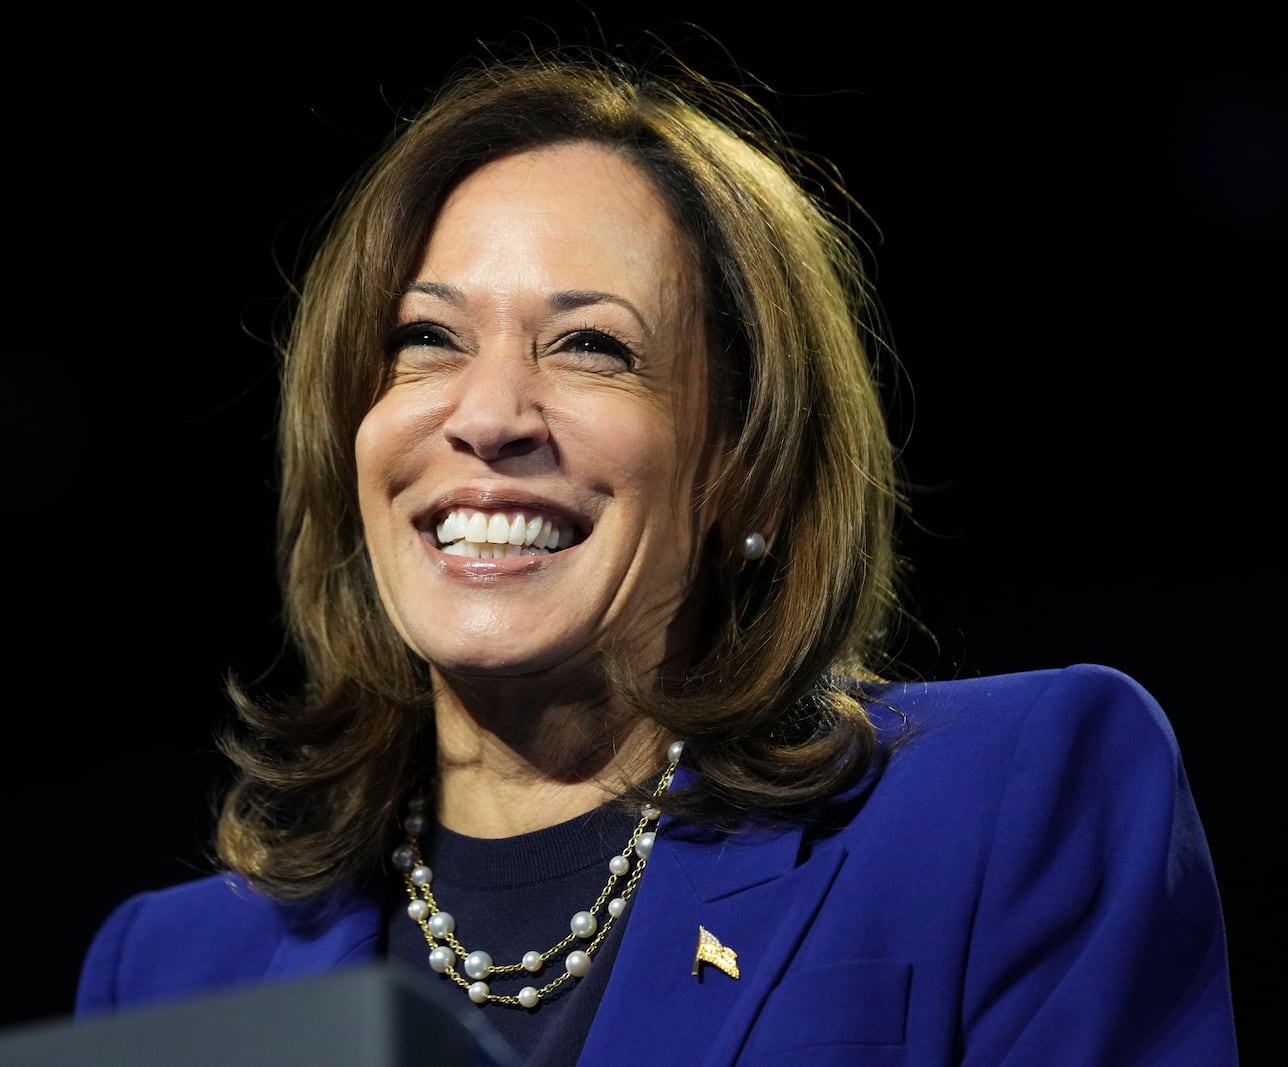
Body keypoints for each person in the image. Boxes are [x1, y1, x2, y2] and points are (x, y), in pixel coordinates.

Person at [73, 42, 1239, 1065]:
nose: (488, 415)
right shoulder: (174, 971)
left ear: (750, 468)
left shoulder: (1002, 804)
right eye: (425, 340)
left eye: (589, 346)